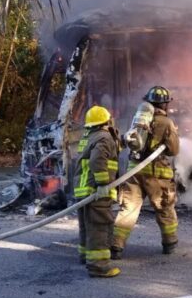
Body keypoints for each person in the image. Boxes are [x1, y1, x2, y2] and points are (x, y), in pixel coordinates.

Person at [112, 86, 180, 259]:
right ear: (164, 105)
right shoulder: (166, 123)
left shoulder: (137, 119)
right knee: (164, 207)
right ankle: (169, 243)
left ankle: (116, 246)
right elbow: (173, 150)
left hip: (133, 172)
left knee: (128, 209)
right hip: (157, 175)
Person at [73, 105, 121, 278]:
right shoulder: (104, 137)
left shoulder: (88, 137)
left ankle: (85, 256)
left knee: (87, 226)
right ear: (106, 121)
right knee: (99, 227)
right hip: (95, 190)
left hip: (83, 190)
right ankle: (98, 266)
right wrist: (103, 183)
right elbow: (97, 160)